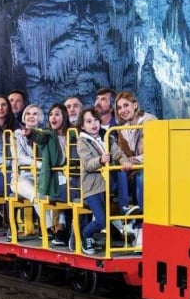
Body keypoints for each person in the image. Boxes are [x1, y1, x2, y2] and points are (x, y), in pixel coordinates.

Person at [111, 91, 153, 213]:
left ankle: (142, 217)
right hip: (133, 169)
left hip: (150, 167)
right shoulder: (122, 129)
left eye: (126, 105)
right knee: (118, 170)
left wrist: (133, 160)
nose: (122, 110)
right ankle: (124, 212)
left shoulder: (149, 121)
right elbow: (121, 153)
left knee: (141, 175)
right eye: (119, 108)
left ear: (135, 105)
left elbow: (155, 152)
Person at [76, 108, 111, 255]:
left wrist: (125, 161)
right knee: (102, 221)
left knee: (109, 217)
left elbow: (117, 153)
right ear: (83, 126)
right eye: (89, 121)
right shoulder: (83, 142)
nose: (94, 124)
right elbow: (88, 164)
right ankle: (84, 234)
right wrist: (101, 160)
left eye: (96, 120)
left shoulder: (106, 137)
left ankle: (125, 208)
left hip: (106, 184)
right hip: (92, 187)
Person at [38, 103, 72, 246]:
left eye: (56, 114)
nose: (53, 117)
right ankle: (59, 228)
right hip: (55, 176)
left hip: (72, 174)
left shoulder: (73, 134)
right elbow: (38, 138)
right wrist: (29, 134)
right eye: (51, 114)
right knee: (61, 185)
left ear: (64, 116)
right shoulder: (48, 135)